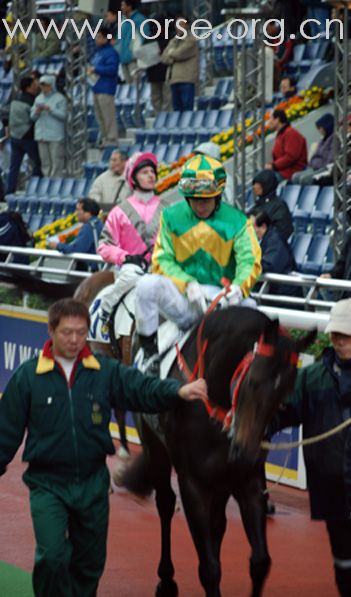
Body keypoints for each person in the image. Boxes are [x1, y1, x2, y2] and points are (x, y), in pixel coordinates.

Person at [0, 298, 207, 597]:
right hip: (48, 485)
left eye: (81, 333)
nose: (74, 340)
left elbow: (141, 388)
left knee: (89, 564)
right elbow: (6, 430)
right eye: (67, 333)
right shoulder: (29, 377)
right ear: (51, 331)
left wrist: (178, 389)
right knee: (52, 557)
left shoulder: (104, 371)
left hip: (92, 484)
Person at [270, 298, 351, 596]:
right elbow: (277, 416)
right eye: (335, 335)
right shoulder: (311, 380)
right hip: (338, 507)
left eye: (347, 335)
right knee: (349, 586)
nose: (340, 342)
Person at [134, 154, 262, 375]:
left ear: (218, 195)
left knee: (252, 310)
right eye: (194, 199)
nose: (200, 205)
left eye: (206, 199)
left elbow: (250, 260)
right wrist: (187, 284)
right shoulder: (171, 216)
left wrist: (238, 288)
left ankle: (252, 374)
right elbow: (161, 258)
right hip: (185, 299)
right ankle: (150, 354)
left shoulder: (238, 221)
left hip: (223, 300)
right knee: (146, 285)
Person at [97, 151, 162, 323]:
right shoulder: (119, 211)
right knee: (132, 274)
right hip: (129, 270)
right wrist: (125, 257)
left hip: (160, 269)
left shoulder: (168, 210)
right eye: (144, 172)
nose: (151, 175)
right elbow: (104, 246)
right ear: (133, 178)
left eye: (152, 172)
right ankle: (107, 305)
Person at [250, 209, 301, 298]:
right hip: (277, 292)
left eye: (252, 227)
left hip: (285, 295)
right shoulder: (267, 239)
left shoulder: (275, 240)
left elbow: (268, 265)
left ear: (263, 226)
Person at [6, 75, 42, 194]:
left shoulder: (15, 99)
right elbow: (33, 118)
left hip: (15, 136)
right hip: (28, 137)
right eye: (34, 85)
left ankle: (9, 191)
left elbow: (6, 115)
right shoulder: (32, 101)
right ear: (28, 87)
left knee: (14, 166)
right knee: (38, 164)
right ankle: (35, 189)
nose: (37, 87)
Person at [48, 198, 103, 271]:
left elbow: (77, 249)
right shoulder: (98, 223)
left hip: (89, 272)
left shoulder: (89, 227)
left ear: (88, 212)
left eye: (78, 210)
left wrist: (57, 245)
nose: (76, 213)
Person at [88, 27, 119, 147]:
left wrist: (96, 69)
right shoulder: (98, 52)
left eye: (99, 36)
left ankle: (111, 139)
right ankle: (105, 138)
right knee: (100, 117)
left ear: (106, 38)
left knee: (108, 116)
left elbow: (112, 69)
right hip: (96, 87)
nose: (97, 39)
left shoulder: (111, 53)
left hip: (106, 88)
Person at [31, 74, 67, 177]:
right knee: (45, 162)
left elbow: (63, 116)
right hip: (41, 135)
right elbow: (32, 117)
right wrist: (37, 111)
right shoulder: (38, 99)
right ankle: (46, 183)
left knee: (57, 162)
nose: (43, 87)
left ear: (51, 85)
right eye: (41, 85)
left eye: (45, 85)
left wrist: (50, 109)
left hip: (55, 136)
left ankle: (55, 185)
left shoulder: (60, 98)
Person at [161, 16, 199, 112]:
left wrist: (171, 54)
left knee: (187, 109)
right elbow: (164, 57)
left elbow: (180, 54)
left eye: (181, 24)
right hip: (173, 79)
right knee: (176, 110)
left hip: (187, 79)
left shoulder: (191, 40)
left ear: (187, 26)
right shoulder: (173, 41)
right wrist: (172, 55)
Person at [265, 109, 307, 181]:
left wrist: (273, 165)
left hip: (291, 172)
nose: (268, 122)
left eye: (270, 118)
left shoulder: (290, 133)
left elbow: (291, 157)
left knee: (264, 182)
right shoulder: (281, 134)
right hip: (283, 171)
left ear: (277, 119)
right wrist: (271, 164)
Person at [292, 114, 334, 185]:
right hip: (316, 167)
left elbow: (329, 161)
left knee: (304, 179)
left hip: (325, 169)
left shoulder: (334, 139)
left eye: (320, 128)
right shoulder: (323, 139)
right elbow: (313, 158)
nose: (319, 130)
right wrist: (315, 163)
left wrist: (315, 163)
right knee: (295, 177)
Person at [251, 169, 294, 241]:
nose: (254, 187)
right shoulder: (258, 204)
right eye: (254, 184)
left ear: (266, 185)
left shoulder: (279, 206)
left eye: (258, 184)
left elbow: (283, 230)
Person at [115, 0, 148, 84]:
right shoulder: (123, 20)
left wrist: (137, 54)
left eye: (123, 5)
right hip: (123, 59)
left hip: (134, 60)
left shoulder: (139, 19)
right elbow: (119, 39)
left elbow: (145, 38)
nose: (121, 8)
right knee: (128, 87)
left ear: (129, 6)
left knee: (136, 87)